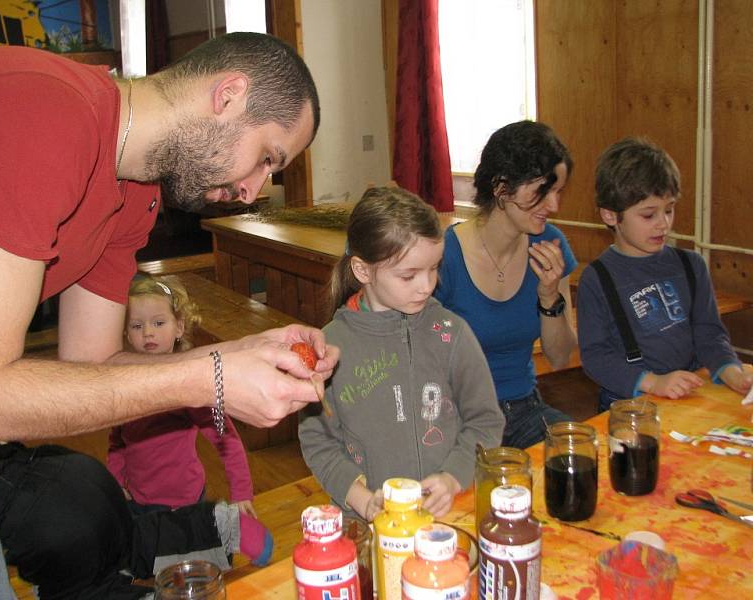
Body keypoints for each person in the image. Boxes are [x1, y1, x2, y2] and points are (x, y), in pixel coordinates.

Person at [0, 32, 338, 598]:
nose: (254, 190)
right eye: (265, 159)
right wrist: (208, 378)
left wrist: (243, 353)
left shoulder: (135, 193)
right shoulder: (48, 112)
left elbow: (91, 363)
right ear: (229, 95)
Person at [299, 187, 505, 521]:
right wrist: (363, 499)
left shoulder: (451, 332)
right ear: (363, 271)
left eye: (434, 268)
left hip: (449, 513)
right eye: (408, 275)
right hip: (369, 524)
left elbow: (485, 419)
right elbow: (318, 442)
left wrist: (454, 476)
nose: (427, 285)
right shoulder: (329, 349)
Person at [577, 138, 752, 411]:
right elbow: (597, 357)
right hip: (629, 405)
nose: (663, 223)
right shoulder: (596, 279)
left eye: (669, 210)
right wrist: (653, 382)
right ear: (610, 216)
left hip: (689, 395)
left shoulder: (691, 265)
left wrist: (729, 368)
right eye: (648, 215)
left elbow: (709, 333)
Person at [434, 120, 578, 449]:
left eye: (558, 192)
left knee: (577, 452)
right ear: (501, 188)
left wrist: (549, 295)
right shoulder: (445, 256)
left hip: (524, 408)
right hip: (458, 415)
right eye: (542, 191)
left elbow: (559, 358)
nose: (554, 205)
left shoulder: (550, 245)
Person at [109, 274, 271, 559]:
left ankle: (231, 526)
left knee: (193, 553)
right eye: (137, 325)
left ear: (179, 328)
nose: (147, 332)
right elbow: (117, 440)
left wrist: (241, 492)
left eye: (158, 323)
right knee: (147, 555)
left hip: (185, 498)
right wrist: (115, 482)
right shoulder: (125, 384)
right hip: (139, 498)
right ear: (126, 333)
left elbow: (227, 439)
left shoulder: (189, 387)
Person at [0, 441, 251, 600]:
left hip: (44, 514)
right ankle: (222, 527)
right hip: (70, 467)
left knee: (85, 592)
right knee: (130, 539)